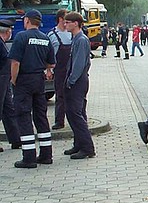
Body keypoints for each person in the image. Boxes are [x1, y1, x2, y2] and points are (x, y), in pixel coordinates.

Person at [9, 9, 56, 168]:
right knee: (41, 116)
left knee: (23, 116)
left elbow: (15, 63)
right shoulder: (45, 38)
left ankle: (28, 157)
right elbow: (51, 63)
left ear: (27, 21)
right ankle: (46, 154)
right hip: (39, 80)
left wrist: (13, 80)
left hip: (24, 80)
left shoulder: (21, 37)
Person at [62, 12, 96, 159]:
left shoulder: (81, 40)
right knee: (75, 113)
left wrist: (71, 81)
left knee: (76, 114)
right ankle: (79, 144)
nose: (65, 24)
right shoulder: (76, 38)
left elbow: (79, 64)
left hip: (77, 81)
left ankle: (87, 148)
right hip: (77, 80)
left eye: (68, 22)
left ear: (76, 23)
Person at [48, 9, 72, 130]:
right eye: (67, 19)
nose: (69, 22)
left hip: (71, 70)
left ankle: (77, 119)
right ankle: (59, 121)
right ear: (60, 19)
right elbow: (48, 55)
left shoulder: (72, 34)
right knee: (60, 96)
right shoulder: (52, 35)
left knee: (75, 97)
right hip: (59, 70)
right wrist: (48, 70)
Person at [0, 19, 21, 150]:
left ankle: (16, 139)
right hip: (1, 78)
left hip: (4, 79)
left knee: (8, 109)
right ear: (8, 32)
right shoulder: (1, 44)